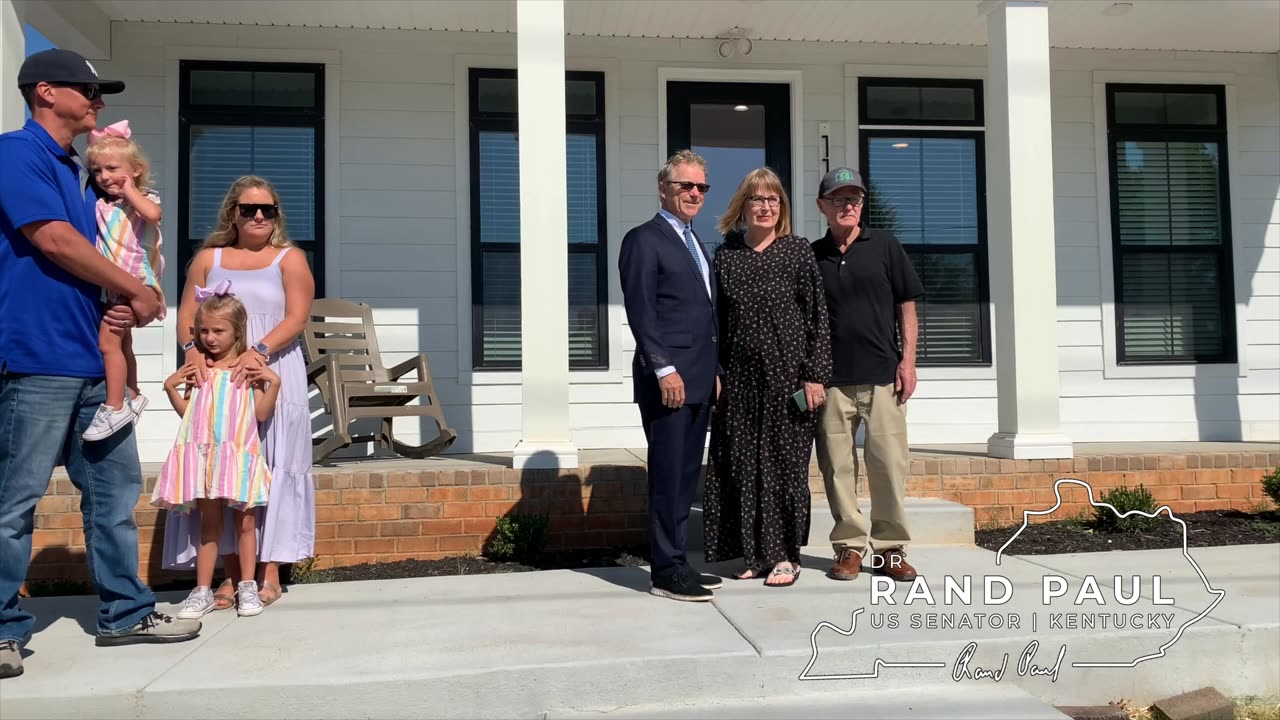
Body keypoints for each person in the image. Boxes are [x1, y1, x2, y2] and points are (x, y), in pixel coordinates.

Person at [0, 48, 201, 680]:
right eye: (88, 91)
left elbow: (112, 238)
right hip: (36, 359)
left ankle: (125, 612)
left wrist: (122, 299)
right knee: (14, 502)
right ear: (46, 92)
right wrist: (137, 291)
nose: (99, 102)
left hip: (95, 360)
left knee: (114, 494)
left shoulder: (72, 170)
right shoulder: (16, 153)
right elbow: (51, 239)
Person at [162, 175, 315, 610]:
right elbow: (188, 313)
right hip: (217, 377)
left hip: (270, 370)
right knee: (221, 471)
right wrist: (192, 353)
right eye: (249, 209)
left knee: (273, 468)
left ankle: (268, 573)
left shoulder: (289, 258)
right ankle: (229, 575)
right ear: (233, 213)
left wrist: (259, 352)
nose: (259, 216)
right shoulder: (209, 258)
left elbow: (298, 316)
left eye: (267, 209)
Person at [702, 168, 831, 587]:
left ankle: (785, 557)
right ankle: (755, 555)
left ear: (782, 207)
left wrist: (814, 377)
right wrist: (715, 374)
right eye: (757, 199)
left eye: (773, 199)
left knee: (784, 466)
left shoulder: (797, 251)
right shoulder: (727, 255)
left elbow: (817, 319)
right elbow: (716, 322)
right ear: (743, 206)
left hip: (789, 382)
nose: (766, 206)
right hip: (738, 382)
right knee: (741, 465)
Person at [619, 149, 724, 602]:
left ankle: (678, 561)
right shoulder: (644, 239)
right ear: (664, 189)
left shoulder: (697, 243)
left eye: (701, 186)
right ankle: (665, 570)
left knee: (685, 476)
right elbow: (642, 312)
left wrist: (714, 370)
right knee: (667, 475)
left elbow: (704, 314)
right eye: (686, 185)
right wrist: (664, 368)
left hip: (701, 378)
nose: (695, 193)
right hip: (670, 382)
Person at [811, 167, 924, 583]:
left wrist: (908, 361)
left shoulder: (885, 246)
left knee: (889, 467)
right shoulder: (812, 254)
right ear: (822, 206)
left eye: (854, 199)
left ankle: (891, 549)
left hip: (883, 377)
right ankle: (849, 548)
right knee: (837, 469)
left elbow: (906, 304)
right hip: (831, 381)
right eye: (838, 199)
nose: (848, 206)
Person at [153, 288, 278, 619]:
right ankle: (202, 591)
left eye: (218, 330)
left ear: (238, 330)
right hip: (207, 460)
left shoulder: (246, 370)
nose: (209, 338)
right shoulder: (199, 370)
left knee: (246, 524)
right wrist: (170, 388)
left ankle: (247, 586)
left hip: (239, 458)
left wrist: (274, 384)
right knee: (208, 526)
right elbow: (190, 415)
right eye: (203, 331)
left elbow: (260, 415)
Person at [81, 119, 165, 441]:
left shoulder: (142, 198)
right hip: (116, 281)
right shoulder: (103, 204)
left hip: (136, 277)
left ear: (135, 170)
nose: (104, 177)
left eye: (112, 168)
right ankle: (132, 392)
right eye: (97, 170)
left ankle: (115, 406)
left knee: (108, 342)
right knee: (124, 342)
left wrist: (129, 189)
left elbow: (153, 215)